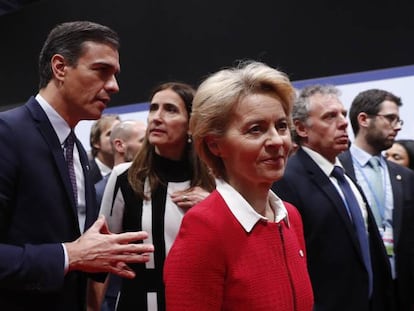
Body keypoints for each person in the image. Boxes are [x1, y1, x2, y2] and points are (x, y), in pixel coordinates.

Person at [0, 21, 154, 311]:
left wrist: (103, 257)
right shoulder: (6, 135)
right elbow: (71, 253)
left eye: (115, 74)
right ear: (60, 68)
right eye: (101, 71)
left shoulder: (77, 152)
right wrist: (69, 255)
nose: (114, 86)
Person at [164, 61, 314, 311]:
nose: (277, 141)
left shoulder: (290, 217)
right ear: (215, 145)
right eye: (256, 129)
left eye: (281, 126)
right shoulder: (204, 228)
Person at [272, 85, 393, 311]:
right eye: (330, 116)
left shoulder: (345, 176)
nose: (344, 122)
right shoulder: (286, 180)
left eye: (343, 114)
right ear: (301, 128)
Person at [98, 81, 216, 311]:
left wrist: (213, 208)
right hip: (138, 302)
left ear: (191, 124)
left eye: (170, 109)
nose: (156, 117)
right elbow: (103, 257)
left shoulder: (215, 183)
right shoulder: (124, 177)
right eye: (153, 108)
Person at [338, 88, 414, 310]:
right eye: (390, 118)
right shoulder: (337, 170)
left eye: (398, 120)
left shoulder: (406, 176)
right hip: (358, 290)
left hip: (402, 290)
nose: (397, 126)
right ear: (364, 119)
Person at [92, 119, 147, 311]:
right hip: (115, 296)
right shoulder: (99, 191)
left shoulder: (158, 186)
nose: (150, 146)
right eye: (143, 140)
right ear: (120, 145)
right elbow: (98, 250)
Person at [89, 114, 121, 184]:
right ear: (96, 142)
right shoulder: (86, 174)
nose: (117, 137)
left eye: (119, 132)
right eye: (110, 134)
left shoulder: (130, 170)